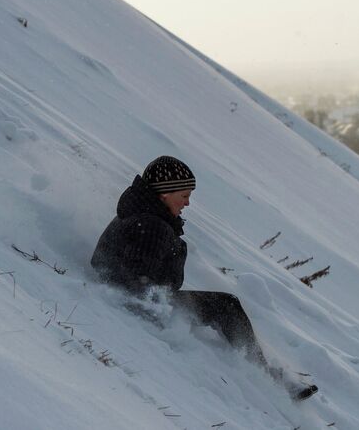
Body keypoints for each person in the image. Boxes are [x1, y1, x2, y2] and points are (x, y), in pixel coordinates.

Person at [91, 156, 317, 401]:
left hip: (135, 292)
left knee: (221, 305)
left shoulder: (145, 215)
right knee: (226, 306)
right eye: (184, 195)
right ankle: (268, 376)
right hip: (137, 300)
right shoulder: (152, 225)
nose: (188, 203)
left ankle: (271, 370)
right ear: (165, 193)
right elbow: (140, 283)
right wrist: (158, 312)